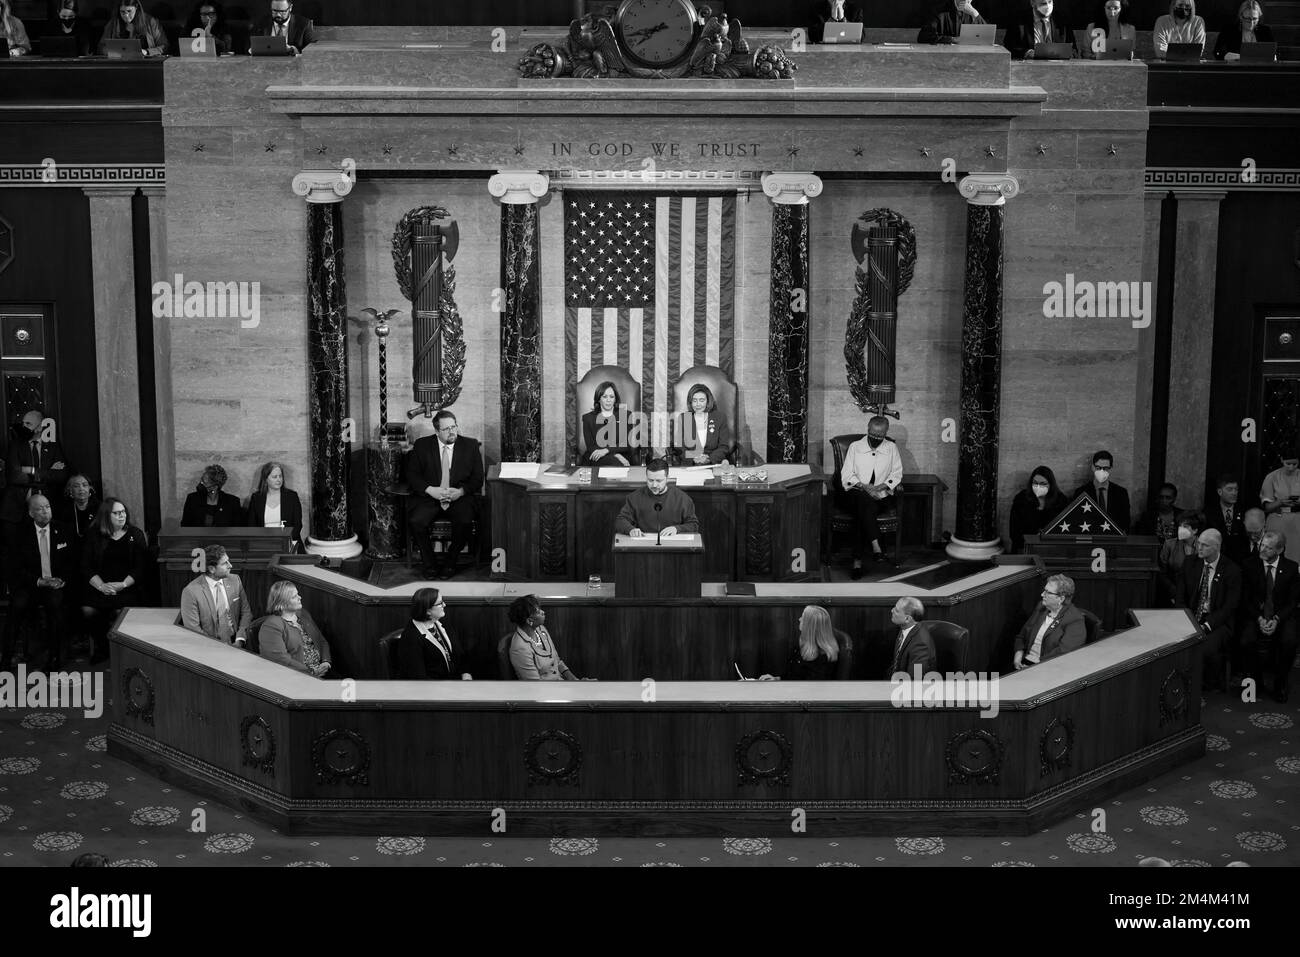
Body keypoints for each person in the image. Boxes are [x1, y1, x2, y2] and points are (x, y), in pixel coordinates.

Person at [405, 409, 484, 579]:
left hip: (458, 496)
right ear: (436, 431)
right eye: (446, 429)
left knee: (464, 521)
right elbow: (412, 475)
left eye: (454, 427)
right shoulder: (422, 445)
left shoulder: (470, 446)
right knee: (416, 521)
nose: (452, 431)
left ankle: (451, 561)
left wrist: (461, 492)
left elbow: (478, 479)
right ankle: (429, 563)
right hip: (431, 496)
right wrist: (430, 490)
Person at [0, 495, 75, 672]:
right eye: (40, 508)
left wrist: (62, 580)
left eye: (47, 507)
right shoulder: (19, 533)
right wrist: (38, 581)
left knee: (55, 606)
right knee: (16, 607)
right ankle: (6, 658)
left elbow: (72, 562)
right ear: (31, 513)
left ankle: (54, 658)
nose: (45, 511)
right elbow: (14, 568)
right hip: (30, 584)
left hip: (56, 584)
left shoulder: (64, 530)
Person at [79, 499, 148, 665]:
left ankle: (122, 650)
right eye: (116, 513)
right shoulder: (93, 535)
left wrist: (123, 584)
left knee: (121, 612)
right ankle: (103, 647)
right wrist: (101, 586)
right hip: (100, 587)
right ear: (106, 516)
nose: (121, 516)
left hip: (127, 587)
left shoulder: (135, 534)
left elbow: (141, 567)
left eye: (123, 512)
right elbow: (85, 566)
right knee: (88, 611)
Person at [1177, 529, 1240, 692]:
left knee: (1207, 647)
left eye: (1204, 545)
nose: (1199, 547)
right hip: (1191, 615)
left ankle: (1207, 684)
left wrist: (1207, 625)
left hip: (1217, 621)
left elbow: (1229, 607)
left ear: (1216, 547)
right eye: (1198, 543)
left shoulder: (1232, 570)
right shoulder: (1190, 563)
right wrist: (1185, 619)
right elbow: (1180, 597)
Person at [840, 415, 903, 577]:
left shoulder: (891, 448)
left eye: (880, 435)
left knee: (862, 513)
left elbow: (897, 474)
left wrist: (880, 487)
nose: (876, 438)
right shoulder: (855, 446)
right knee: (863, 502)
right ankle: (876, 546)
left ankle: (857, 561)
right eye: (873, 434)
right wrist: (865, 487)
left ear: (886, 432)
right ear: (868, 430)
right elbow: (847, 474)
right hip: (857, 492)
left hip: (881, 495)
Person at [1238, 530, 1297, 702]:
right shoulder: (1249, 565)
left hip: (1282, 616)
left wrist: (1277, 619)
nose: (1262, 550)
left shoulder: (1291, 568)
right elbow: (1245, 599)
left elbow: (1292, 602)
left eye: (1268, 548)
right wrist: (1260, 619)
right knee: (1246, 640)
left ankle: (1280, 683)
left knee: (1290, 641)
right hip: (1256, 614)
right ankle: (1255, 682)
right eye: (1262, 545)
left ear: (1279, 550)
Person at [2, 409, 70, 536]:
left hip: (46, 510)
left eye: (28, 424)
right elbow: (14, 476)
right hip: (17, 510)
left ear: (40, 427)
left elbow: (61, 475)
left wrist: (32, 470)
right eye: (23, 423)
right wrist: (46, 475)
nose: (24, 427)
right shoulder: (15, 445)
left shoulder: (53, 446)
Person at [179, 545, 253, 647]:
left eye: (228, 561)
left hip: (237, 641)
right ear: (211, 569)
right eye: (224, 563)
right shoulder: (191, 592)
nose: (230, 565)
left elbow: (246, 612)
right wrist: (218, 647)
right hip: (209, 647)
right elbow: (193, 629)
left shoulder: (235, 580)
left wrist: (240, 639)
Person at [258, 581, 332, 677]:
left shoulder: (303, 613)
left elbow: (321, 641)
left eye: (297, 594)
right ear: (281, 603)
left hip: (320, 672)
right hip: (296, 677)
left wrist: (326, 662)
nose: (300, 598)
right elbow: (281, 660)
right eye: (294, 597)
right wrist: (311, 672)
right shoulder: (271, 626)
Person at [614, 457, 700, 539]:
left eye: (659, 481)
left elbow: (693, 525)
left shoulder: (683, 499)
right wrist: (631, 529)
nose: (654, 485)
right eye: (650, 480)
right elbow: (620, 521)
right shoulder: (634, 497)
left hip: (672, 546)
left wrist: (677, 529)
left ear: (667, 478)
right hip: (643, 544)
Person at [396, 587, 471, 680]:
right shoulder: (411, 638)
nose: (444, 604)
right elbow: (418, 678)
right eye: (440, 603)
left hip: (454, 684)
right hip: (433, 690)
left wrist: (465, 672)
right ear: (427, 611)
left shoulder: (442, 622)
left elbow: (458, 654)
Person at [1014, 574, 1087, 669]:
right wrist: (1018, 657)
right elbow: (1022, 636)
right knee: (993, 677)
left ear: (1061, 598)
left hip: (1047, 669)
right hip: (1024, 663)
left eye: (1048, 592)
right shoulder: (1041, 607)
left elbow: (1063, 653)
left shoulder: (1075, 619)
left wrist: (1033, 668)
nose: (1042, 594)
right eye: (1044, 590)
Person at [506, 595, 579, 680]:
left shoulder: (541, 629)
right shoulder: (519, 648)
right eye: (538, 612)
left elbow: (557, 661)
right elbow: (536, 685)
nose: (543, 612)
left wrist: (576, 681)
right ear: (530, 621)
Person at [778, 605, 853, 680]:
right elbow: (792, 674)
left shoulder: (823, 659)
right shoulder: (803, 643)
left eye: (803, 618)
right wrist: (778, 679)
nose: (799, 619)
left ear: (811, 626)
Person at [1008, 465, 1069, 552]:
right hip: (1024, 548)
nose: (1038, 486)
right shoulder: (1021, 499)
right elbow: (1014, 532)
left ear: (1051, 484)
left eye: (1043, 484)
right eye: (1035, 483)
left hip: (1051, 550)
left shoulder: (1061, 501)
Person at [246, 461, 304, 551]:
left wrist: (285, 542)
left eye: (280, 476)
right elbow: (251, 526)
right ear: (265, 479)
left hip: (288, 544)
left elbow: (297, 525)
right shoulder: (256, 498)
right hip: (263, 545)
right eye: (274, 477)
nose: (278, 480)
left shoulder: (292, 496)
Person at [671, 383, 731, 467]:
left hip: (713, 464)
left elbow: (723, 446)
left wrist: (709, 458)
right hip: (690, 465)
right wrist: (694, 458)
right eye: (694, 400)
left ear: (708, 401)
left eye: (702, 400)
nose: (698, 404)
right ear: (690, 402)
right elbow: (680, 447)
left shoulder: (719, 417)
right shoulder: (685, 418)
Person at [581, 380, 637, 467]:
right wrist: (615, 455)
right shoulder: (588, 418)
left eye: (611, 397)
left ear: (615, 399)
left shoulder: (626, 415)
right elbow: (591, 446)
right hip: (597, 456)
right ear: (599, 399)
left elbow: (627, 444)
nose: (608, 400)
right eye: (604, 397)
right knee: (614, 462)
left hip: (622, 455)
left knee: (616, 464)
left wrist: (607, 450)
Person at [1072, 450, 1130, 533]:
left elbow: (1125, 523)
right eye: (1098, 468)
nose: (1101, 471)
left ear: (1111, 469)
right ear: (1092, 467)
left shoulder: (1121, 493)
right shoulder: (1080, 492)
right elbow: (1076, 521)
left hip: (1113, 539)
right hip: (1089, 538)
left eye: (1106, 468)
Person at [1158, 509, 1204, 606]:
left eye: (1185, 527)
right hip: (1172, 593)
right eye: (1179, 526)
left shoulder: (1204, 546)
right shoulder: (1169, 544)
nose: (1180, 529)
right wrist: (1174, 592)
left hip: (1196, 596)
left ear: (1195, 530)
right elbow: (1161, 573)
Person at [1261, 451, 1300, 562]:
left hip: (1297, 520)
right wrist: (1280, 502)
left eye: (1295, 464)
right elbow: (1267, 507)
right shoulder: (1271, 477)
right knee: (1275, 552)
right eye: (1288, 464)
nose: (1291, 467)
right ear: (1282, 460)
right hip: (1278, 518)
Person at [1004, 0, 1075, 59]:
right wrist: (1027, 53)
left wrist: (1064, 54)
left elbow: (1074, 51)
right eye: (1043, 3)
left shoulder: (1062, 21)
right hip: (1029, 69)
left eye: (1050, 2)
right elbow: (1008, 48)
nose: (1047, 7)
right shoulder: (1018, 21)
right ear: (1032, 3)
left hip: (1059, 69)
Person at [886, 597, 936, 678]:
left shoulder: (920, 645)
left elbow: (914, 680)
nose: (892, 610)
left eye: (897, 610)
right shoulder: (905, 628)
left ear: (907, 619)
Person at [98, 0, 168, 57]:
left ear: (136, 8)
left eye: (129, 11)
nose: (126, 15)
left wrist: (147, 52)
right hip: (119, 62)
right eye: (122, 12)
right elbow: (101, 47)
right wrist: (112, 52)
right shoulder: (113, 23)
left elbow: (164, 46)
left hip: (146, 63)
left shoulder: (150, 21)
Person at [1205, 474, 1247, 560]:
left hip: (1239, 558)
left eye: (1236, 490)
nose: (1234, 493)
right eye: (1230, 489)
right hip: (1216, 556)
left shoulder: (1244, 511)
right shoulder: (1209, 512)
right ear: (1220, 492)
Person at [56, 474, 102, 543]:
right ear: (70, 491)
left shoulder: (100, 507)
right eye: (76, 486)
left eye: (85, 485)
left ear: (90, 488)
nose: (81, 489)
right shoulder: (63, 510)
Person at [917, 0, 986, 44]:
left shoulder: (974, 11)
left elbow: (987, 37)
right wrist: (952, 39)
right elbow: (923, 36)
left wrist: (975, 14)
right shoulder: (939, 10)